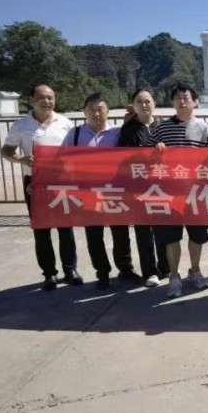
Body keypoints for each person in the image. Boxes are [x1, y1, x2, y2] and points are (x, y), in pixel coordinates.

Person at [1, 84, 79, 291]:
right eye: (42, 97)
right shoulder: (21, 125)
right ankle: (49, 273)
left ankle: (70, 270)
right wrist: (22, 159)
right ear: (32, 100)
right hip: (35, 183)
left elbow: (75, 152)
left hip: (62, 181)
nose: (47, 101)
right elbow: (6, 150)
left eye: (50, 97)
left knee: (66, 228)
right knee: (42, 229)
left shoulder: (65, 123)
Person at [144, 82, 208, 299]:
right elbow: (144, 157)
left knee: (197, 236)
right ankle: (174, 276)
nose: (182, 101)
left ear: (195, 102)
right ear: (172, 102)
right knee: (171, 237)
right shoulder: (161, 128)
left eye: (186, 98)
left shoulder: (204, 128)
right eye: (178, 98)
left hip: (195, 192)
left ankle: (195, 270)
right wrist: (155, 151)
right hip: (169, 193)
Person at [62, 93, 135, 290]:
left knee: (120, 233)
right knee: (94, 235)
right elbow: (61, 160)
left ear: (108, 112)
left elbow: (131, 152)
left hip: (114, 191)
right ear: (84, 112)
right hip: (88, 193)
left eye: (100, 109)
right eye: (91, 109)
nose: (96, 113)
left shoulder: (117, 133)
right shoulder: (75, 134)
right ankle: (102, 272)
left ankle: (125, 268)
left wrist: (133, 117)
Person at [117, 88, 168, 288]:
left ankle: (165, 267)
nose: (144, 105)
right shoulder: (128, 129)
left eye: (147, 101)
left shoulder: (164, 126)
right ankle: (149, 271)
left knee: (163, 228)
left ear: (154, 103)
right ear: (133, 105)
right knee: (143, 231)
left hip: (162, 186)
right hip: (139, 187)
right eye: (139, 101)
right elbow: (122, 157)